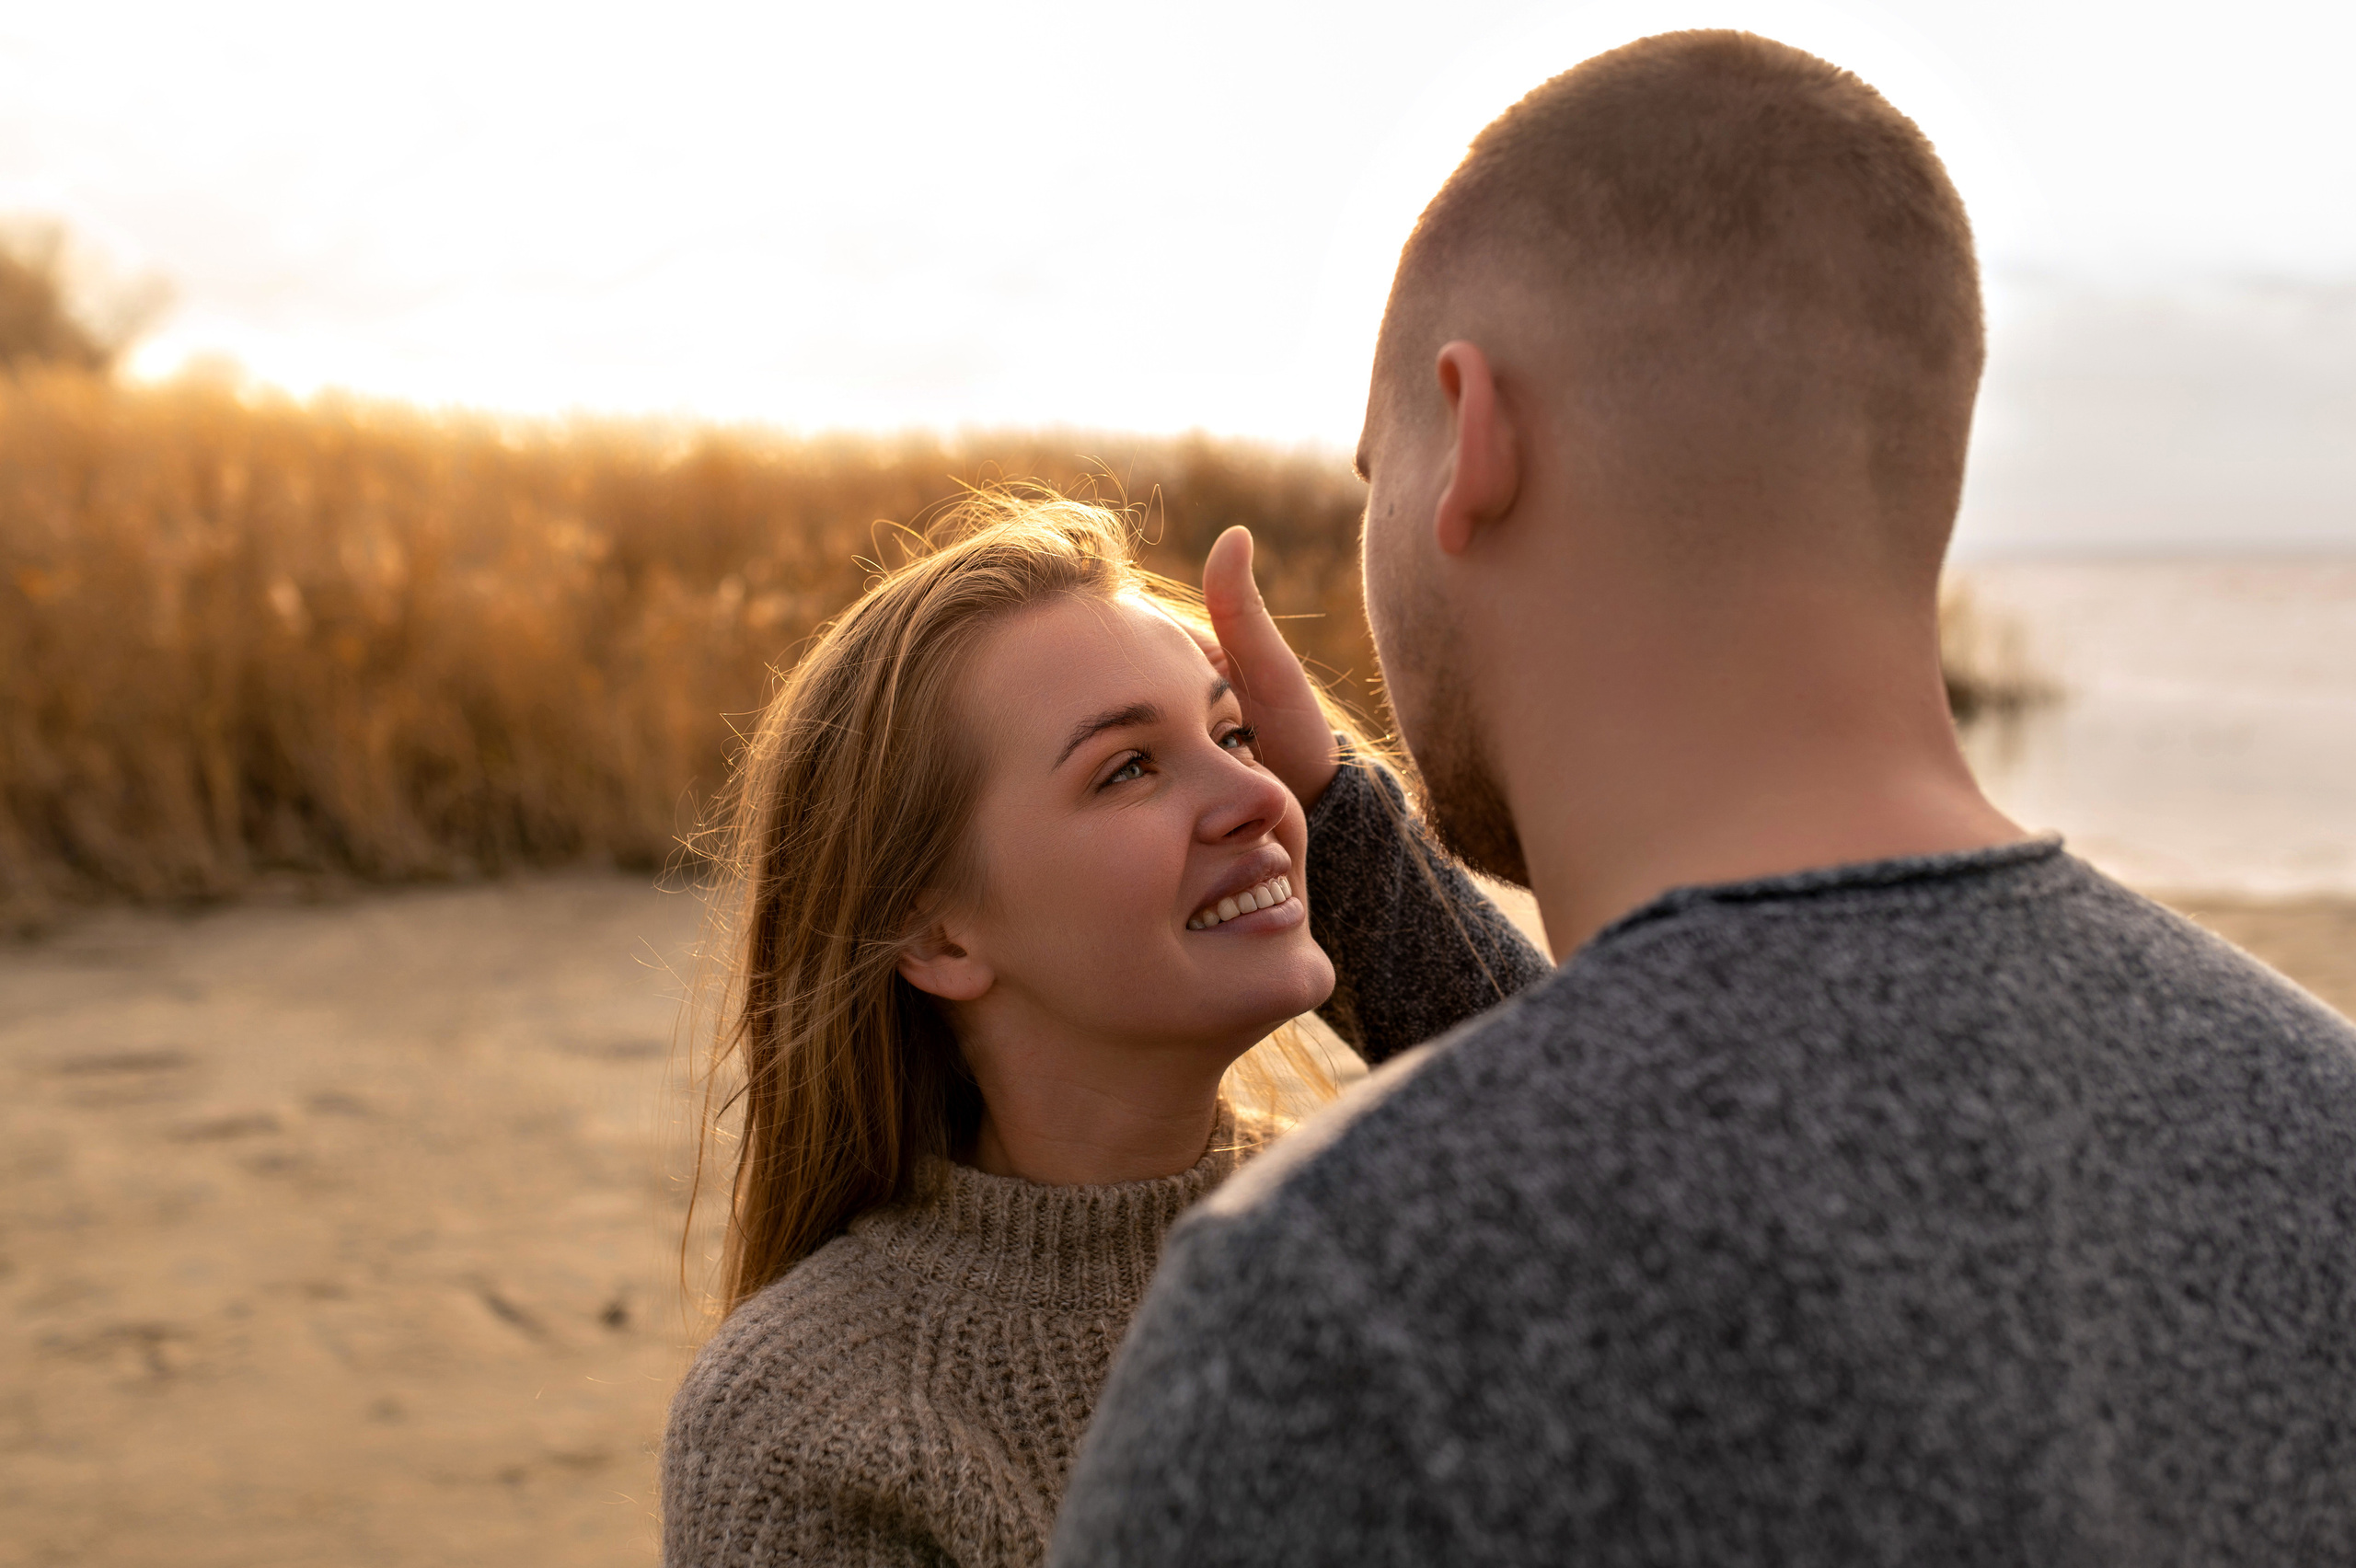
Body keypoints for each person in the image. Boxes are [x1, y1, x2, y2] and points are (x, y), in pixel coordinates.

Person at [1052, 29, 2356, 1565]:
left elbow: (1659, 1101)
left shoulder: (1346, 1305)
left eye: (1372, 469)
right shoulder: (2322, 1129)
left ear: (1474, 435)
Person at [659, 496, 1543, 1567]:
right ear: (935, 934)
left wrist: (1350, 830)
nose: (1257, 797)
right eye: (1128, 767)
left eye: (1236, 735)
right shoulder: (814, 1417)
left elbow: (1660, 1193)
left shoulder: (1390, 1251)